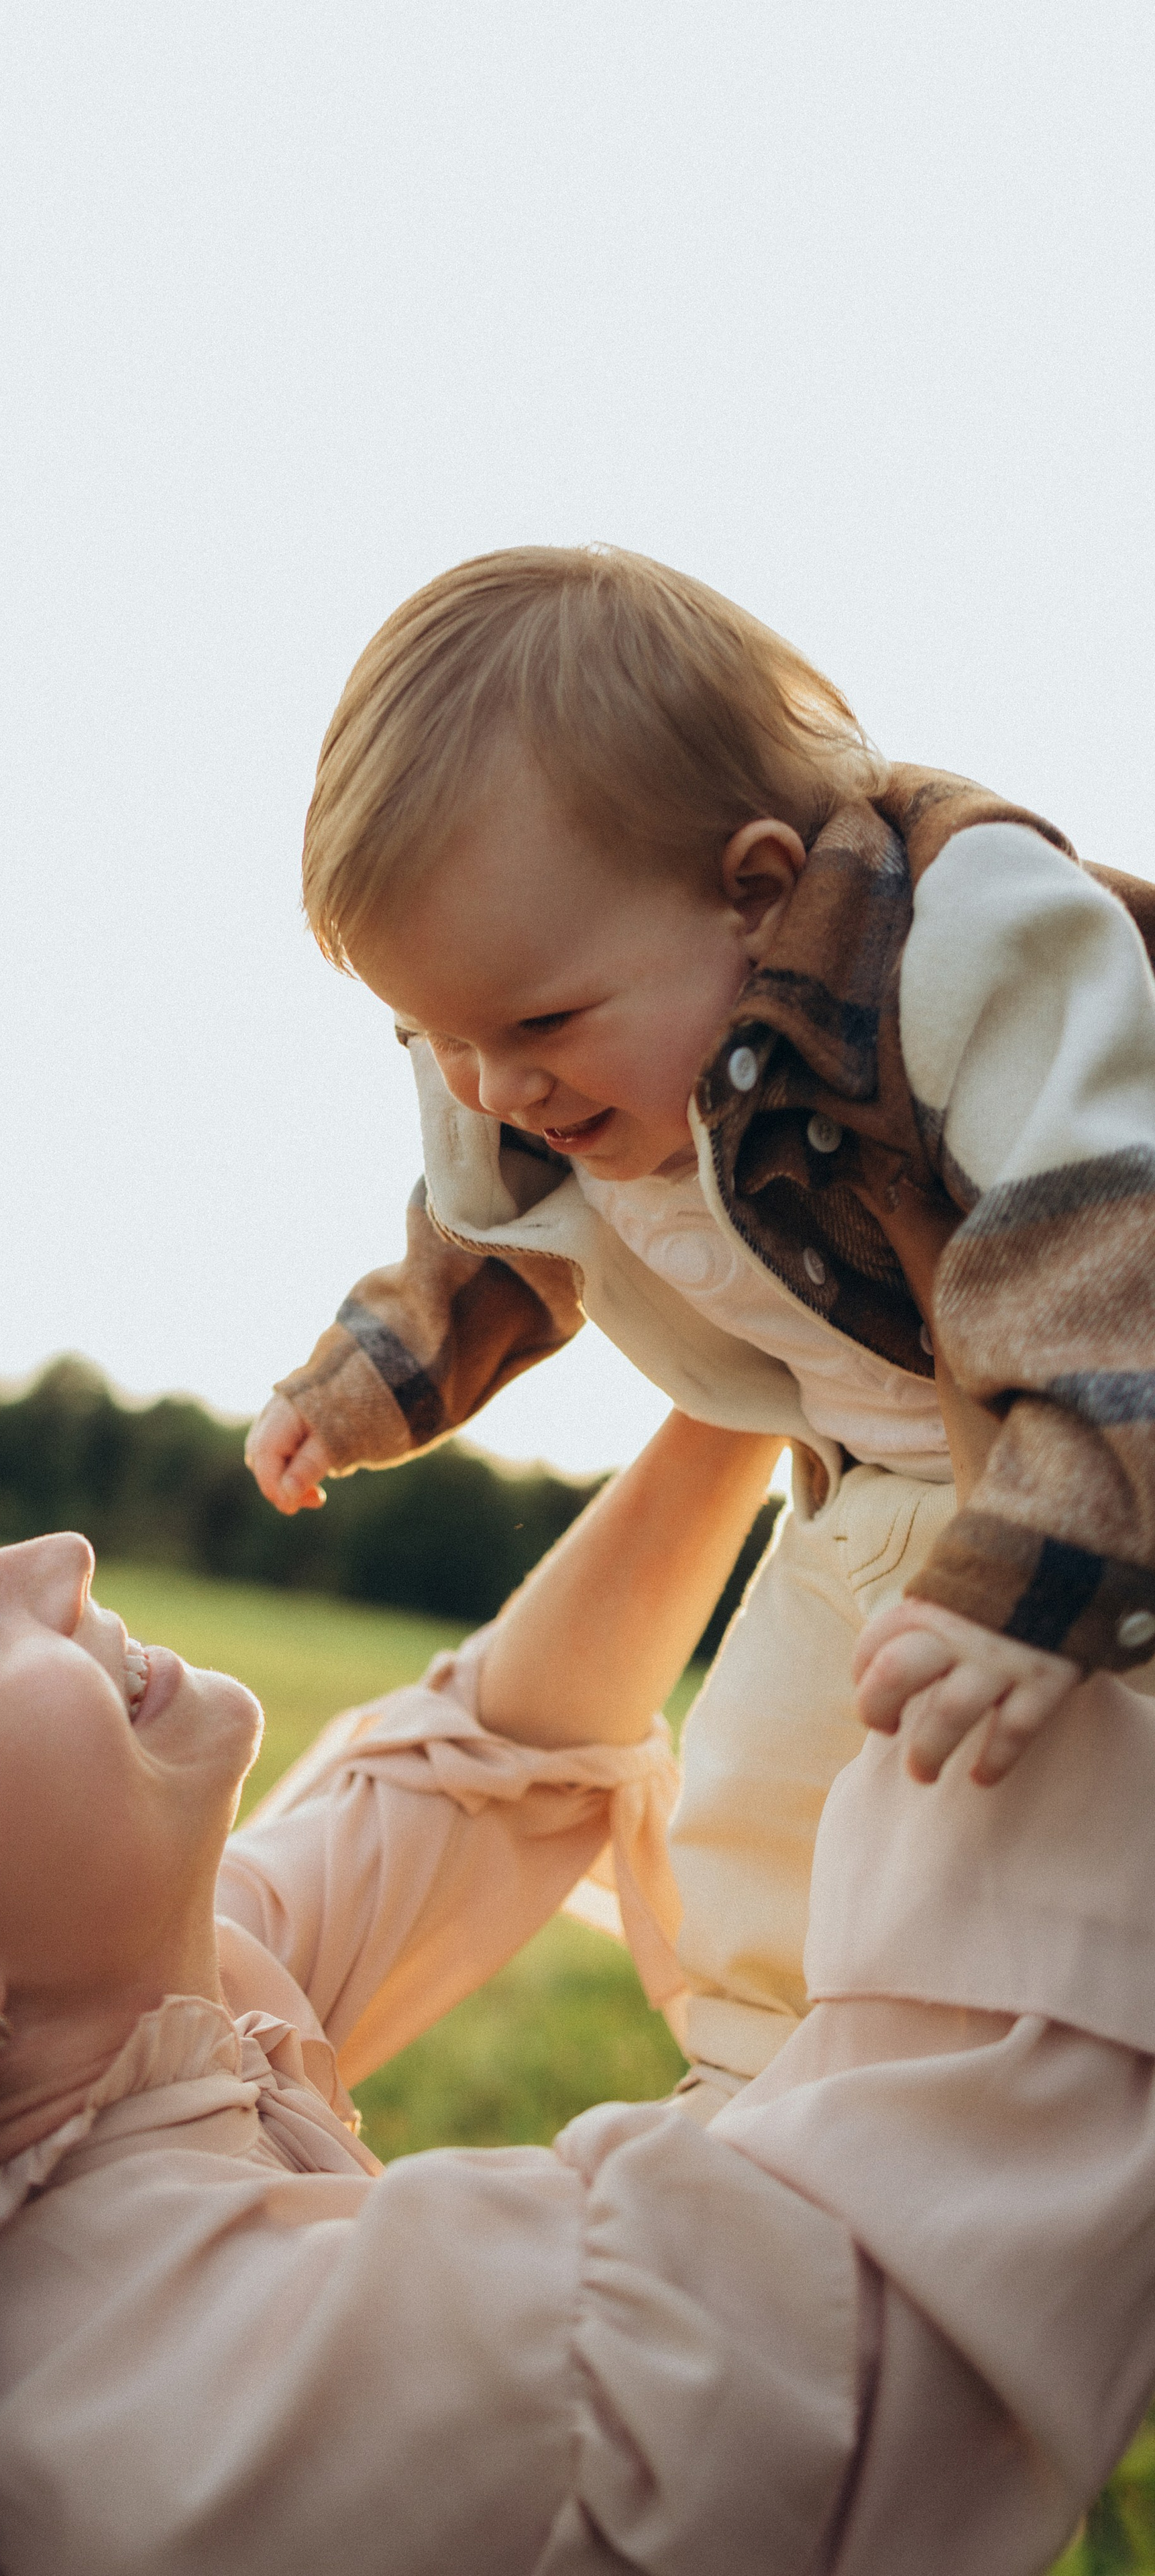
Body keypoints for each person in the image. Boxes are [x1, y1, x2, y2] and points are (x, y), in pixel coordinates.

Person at [0, 1433, 1155, 2576]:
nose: (53, 1556)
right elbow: (874, 2303)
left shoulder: (80, 2032)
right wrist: (1047, 1494)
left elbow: (474, 1765)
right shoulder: (165, 2414)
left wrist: (744, 1354)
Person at [247, 543, 1155, 2111]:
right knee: (756, 1794)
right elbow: (488, 1239)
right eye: (437, 1036)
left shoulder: (959, 953)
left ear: (753, 891)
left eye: (530, 1026)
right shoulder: (557, 1052)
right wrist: (368, 1380)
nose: (491, 1085)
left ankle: (1035, 2129)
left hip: (1083, 1447)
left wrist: (1038, 1551)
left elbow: (1102, 1247)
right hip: (870, 1489)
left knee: (1049, 1837)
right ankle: (754, 2103)